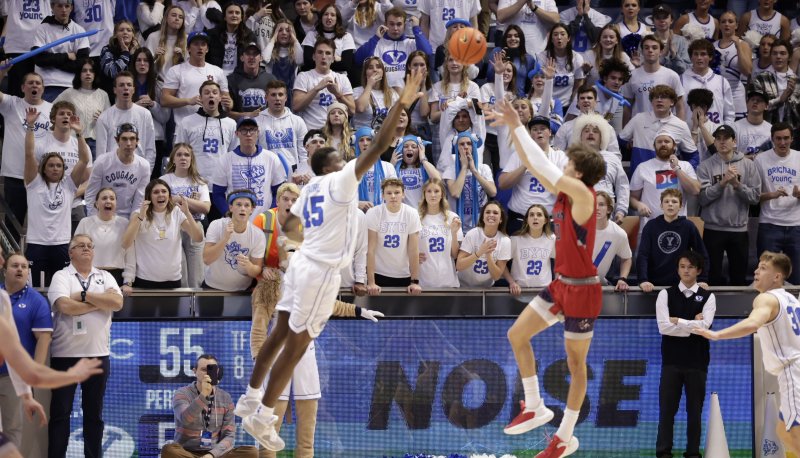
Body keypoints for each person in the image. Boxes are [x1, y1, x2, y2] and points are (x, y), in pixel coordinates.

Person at [234, 70, 425, 451]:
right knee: (299, 345)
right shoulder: (340, 181)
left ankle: (252, 397)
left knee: (280, 335)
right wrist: (402, 101)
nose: (347, 159)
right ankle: (265, 416)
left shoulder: (305, 192)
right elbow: (382, 144)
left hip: (300, 267)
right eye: (341, 157)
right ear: (330, 165)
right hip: (319, 271)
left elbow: (291, 232)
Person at [488, 99, 607, 456]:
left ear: (579, 172)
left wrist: (516, 124)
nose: (563, 164)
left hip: (584, 290)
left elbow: (542, 164)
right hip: (560, 284)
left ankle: (563, 437)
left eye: (569, 162)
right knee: (517, 334)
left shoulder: (584, 195)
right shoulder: (562, 196)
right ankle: (535, 405)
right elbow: (533, 164)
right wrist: (513, 130)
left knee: (575, 364)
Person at [693, 251, 800, 454]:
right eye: (758, 266)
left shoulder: (766, 298)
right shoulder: (792, 299)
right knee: (783, 431)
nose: (756, 271)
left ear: (777, 277)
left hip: (793, 370)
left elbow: (753, 323)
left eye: (763, 268)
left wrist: (716, 335)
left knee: (794, 433)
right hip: (794, 368)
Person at [47, 234, 124, 458]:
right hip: (65, 356)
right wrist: (99, 303)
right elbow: (64, 306)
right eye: (81, 246)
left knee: (94, 415)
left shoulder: (105, 275)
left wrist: (81, 295)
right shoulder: (61, 276)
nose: (86, 249)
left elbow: (117, 303)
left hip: (98, 356)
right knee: (61, 414)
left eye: (90, 246)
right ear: (70, 252)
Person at [655, 250, 716, 458]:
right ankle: (663, 453)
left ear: (698, 270)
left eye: (690, 267)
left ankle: (692, 453)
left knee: (695, 413)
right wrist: (693, 324)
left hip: (697, 363)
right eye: (682, 266)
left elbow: (705, 326)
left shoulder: (708, 296)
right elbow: (663, 327)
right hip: (671, 362)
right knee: (667, 412)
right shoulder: (665, 294)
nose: (686, 270)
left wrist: (678, 321)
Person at [23, 106, 91, 287]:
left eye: (59, 166)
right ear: (44, 167)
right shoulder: (33, 183)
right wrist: (30, 127)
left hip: (61, 245)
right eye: (51, 165)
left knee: (62, 289)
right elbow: (29, 154)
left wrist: (79, 134)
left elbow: (84, 160)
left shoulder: (68, 186)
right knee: (34, 289)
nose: (55, 168)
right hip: (36, 244)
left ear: (63, 169)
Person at [697, 125, 762, 286]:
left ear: (734, 141)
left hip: (738, 230)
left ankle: (737, 311)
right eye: (718, 138)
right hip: (712, 229)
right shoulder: (705, 166)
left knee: (738, 277)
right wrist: (723, 183)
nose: (721, 142)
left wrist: (737, 185)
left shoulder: (748, 165)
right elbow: (703, 199)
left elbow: (755, 198)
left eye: (725, 138)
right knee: (712, 277)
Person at [0, 252, 53, 449]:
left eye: (24, 266)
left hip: (12, 378)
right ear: (5, 271)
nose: (20, 269)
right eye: (15, 266)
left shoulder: (37, 301)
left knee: (12, 427)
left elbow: (44, 339)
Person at [161, 354, 259, 458]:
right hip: (187, 452)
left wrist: (211, 455)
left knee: (251, 452)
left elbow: (229, 436)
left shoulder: (225, 397)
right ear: (195, 371)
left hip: (214, 454)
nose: (207, 373)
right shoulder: (182, 393)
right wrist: (203, 395)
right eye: (203, 369)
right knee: (169, 450)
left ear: (216, 372)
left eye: (211, 369)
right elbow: (185, 419)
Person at [122, 179, 204, 294]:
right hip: (145, 280)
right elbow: (125, 243)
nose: (160, 194)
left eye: (164, 191)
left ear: (169, 195)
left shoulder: (176, 212)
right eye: (156, 192)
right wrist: (140, 217)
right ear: (149, 197)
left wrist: (188, 213)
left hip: (173, 279)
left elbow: (198, 238)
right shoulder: (138, 213)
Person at [0, 66, 53, 229]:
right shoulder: (12, 104)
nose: (34, 86)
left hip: (42, 176)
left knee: (42, 224)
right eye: (30, 83)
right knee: (13, 224)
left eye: (38, 83)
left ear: (43, 88)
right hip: (15, 175)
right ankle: (12, 255)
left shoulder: (53, 109)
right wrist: (2, 73)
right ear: (23, 88)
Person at [499, 115, 567, 234]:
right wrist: (525, 164)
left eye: (543, 128)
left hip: (548, 220)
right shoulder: (519, 155)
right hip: (520, 219)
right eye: (535, 129)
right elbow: (502, 184)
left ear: (550, 132)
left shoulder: (559, 156)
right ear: (530, 135)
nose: (539, 131)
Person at [212, 117, 289, 218]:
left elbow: (279, 191)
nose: (248, 134)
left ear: (258, 132)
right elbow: (217, 194)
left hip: (264, 220)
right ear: (237, 133)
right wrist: (228, 213)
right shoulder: (225, 160)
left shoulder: (271, 158)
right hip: (235, 220)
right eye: (244, 130)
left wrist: (270, 214)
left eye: (252, 130)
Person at [754, 123, 800, 285]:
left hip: (796, 225)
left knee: (797, 278)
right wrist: (771, 195)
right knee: (766, 277)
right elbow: (753, 196)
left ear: (792, 139)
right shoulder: (761, 159)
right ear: (772, 139)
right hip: (769, 224)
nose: (782, 142)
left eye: (786, 138)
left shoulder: (799, 158)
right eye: (778, 139)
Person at [637, 189, 710, 292]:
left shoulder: (688, 226)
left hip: (681, 283)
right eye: (666, 201)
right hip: (653, 284)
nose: (670, 204)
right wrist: (643, 280)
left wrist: (703, 279)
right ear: (661, 206)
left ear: (681, 206)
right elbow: (643, 255)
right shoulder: (651, 226)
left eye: (674, 202)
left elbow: (701, 254)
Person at [161, 144, 212, 288]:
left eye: (186, 155)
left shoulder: (199, 182)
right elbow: (161, 204)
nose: (183, 158)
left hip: (195, 226)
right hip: (173, 228)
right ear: (173, 159)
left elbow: (205, 208)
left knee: (197, 275)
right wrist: (193, 203)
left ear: (191, 159)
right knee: (179, 274)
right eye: (179, 155)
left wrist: (179, 199)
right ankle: (182, 310)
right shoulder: (165, 180)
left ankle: (197, 310)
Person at [629, 131, 701, 230]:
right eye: (659, 142)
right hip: (650, 227)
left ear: (674, 146)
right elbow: (632, 198)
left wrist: (676, 168)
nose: (663, 144)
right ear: (654, 146)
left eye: (667, 141)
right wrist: (638, 205)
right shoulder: (643, 167)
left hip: (678, 227)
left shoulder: (685, 166)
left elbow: (695, 190)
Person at [620, 85, 698, 175]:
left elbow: (693, 156)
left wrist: (683, 171)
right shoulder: (638, 119)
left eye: (663, 97)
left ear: (672, 102)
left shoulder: (681, 125)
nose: (659, 100)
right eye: (656, 97)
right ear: (651, 102)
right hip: (640, 176)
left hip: (668, 179)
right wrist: (629, 145)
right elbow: (621, 140)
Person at [365, 178, 423, 293]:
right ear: (383, 195)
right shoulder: (373, 213)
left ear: (403, 195)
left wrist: (414, 282)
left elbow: (413, 250)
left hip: (403, 274)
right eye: (389, 193)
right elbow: (370, 249)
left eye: (397, 192)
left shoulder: (411, 213)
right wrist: (371, 282)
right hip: (378, 273)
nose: (393, 196)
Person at [162, 31, 231, 126]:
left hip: (212, 126)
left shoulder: (218, 71)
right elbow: (165, 99)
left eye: (203, 44)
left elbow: (227, 101)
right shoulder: (176, 70)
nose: (200, 47)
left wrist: (228, 104)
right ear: (188, 48)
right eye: (196, 44)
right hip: (184, 127)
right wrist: (188, 101)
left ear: (207, 49)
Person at [174, 80, 237, 184]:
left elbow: (234, 155)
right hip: (194, 181)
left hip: (221, 182)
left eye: (214, 92)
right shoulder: (187, 122)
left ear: (220, 97)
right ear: (201, 98)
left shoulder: (231, 124)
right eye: (207, 93)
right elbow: (179, 152)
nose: (211, 95)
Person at [75, 188, 136, 293]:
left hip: (116, 276)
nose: (108, 201)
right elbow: (75, 254)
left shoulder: (124, 223)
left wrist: (128, 281)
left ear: (116, 204)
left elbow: (130, 255)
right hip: (90, 275)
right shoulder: (85, 223)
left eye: (112, 198)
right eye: (104, 198)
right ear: (96, 204)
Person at [203, 190, 266, 291]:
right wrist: (225, 239)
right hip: (212, 287)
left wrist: (249, 266)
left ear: (252, 210)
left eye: (246, 205)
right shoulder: (216, 225)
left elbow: (256, 270)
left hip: (242, 291)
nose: (242, 208)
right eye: (238, 204)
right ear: (231, 207)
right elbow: (206, 259)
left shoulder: (258, 235)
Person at [354, 7, 432, 88]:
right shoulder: (377, 43)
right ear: (385, 24)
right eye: (391, 24)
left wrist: (416, 28)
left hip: (408, 90)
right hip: (383, 91)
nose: (395, 28)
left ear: (404, 25)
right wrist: (376, 38)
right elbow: (358, 59)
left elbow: (427, 53)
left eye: (399, 24)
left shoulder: (411, 43)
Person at [86, 124, 151, 220]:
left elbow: (139, 200)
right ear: (117, 140)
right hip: (103, 215)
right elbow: (91, 194)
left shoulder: (144, 165)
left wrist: (133, 223)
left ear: (137, 141)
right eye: (124, 139)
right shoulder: (102, 162)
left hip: (128, 216)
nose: (128, 143)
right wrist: (94, 220)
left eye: (132, 139)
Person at [95, 72, 158, 169]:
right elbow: (101, 154)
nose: (125, 88)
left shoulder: (145, 114)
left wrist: (147, 173)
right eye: (121, 85)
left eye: (129, 85)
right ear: (115, 90)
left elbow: (150, 149)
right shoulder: (104, 117)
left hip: (138, 170)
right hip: (112, 172)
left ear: (133, 89)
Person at [31, 0, 90, 101]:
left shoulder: (80, 30)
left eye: (67, 6)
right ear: (52, 7)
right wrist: (66, 56)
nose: (63, 10)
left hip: (72, 86)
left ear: (71, 8)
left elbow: (81, 65)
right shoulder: (42, 29)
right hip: (47, 85)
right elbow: (39, 59)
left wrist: (52, 58)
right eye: (59, 6)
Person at [292, 38, 356, 131]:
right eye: (320, 52)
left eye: (328, 53)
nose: (323, 56)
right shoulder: (303, 76)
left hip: (336, 133)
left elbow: (352, 111)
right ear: (313, 56)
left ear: (334, 58)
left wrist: (338, 94)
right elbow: (296, 107)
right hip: (312, 132)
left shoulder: (342, 78)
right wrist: (316, 89)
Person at [622, 35, 686, 126]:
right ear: (642, 51)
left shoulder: (672, 76)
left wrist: (680, 130)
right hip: (640, 129)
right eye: (646, 47)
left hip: (665, 130)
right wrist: (626, 133)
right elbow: (627, 108)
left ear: (661, 52)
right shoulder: (631, 76)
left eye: (654, 48)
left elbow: (680, 107)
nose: (650, 50)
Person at [53, 59, 111, 158]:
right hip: (74, 140)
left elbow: (109, 121)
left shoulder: (103, 94)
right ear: (79, 74)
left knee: (94, 172)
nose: (88, 73)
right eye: (84, 70)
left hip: (96, 142)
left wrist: (102, 119)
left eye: (91, 70)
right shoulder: (69, 93)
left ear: (95, 74)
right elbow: (52, 110)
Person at [455, 201, 512, 287]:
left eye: (495, 213)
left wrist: (488, 255)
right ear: (483, 217)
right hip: (462, 286)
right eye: (487, 212)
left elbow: (496, 276)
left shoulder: (505, 241)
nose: (491, 215)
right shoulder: (472, 234)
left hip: (486, 289)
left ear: (501, 219)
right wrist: (479, 252)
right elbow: (459, 265)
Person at [256, 80, 308, 175]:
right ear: (266, 98)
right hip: (266, 172)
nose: (277, 98)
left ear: (286, 98)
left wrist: (303, 172)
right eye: (273, 95)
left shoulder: (297, 121)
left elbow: (303, 151)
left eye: (280, 94)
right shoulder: (257, 121)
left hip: (293, 173)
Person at [417, 178, 462, 288]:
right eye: (429, 191)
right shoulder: (416, 217)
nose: (433, 195)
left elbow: (455, 254)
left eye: (436, 191)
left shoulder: (452, 217)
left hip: (448, 280)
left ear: (442, 194)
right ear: (424, 194)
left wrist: (454, 233)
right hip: (423, 281)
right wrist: (412, 255)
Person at [680, 39, 735, 126]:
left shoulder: (721, 81)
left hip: (716, 135)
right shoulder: (681, 80)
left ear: (710, 57)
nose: (699, 58)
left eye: (703, 54)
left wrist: (725, 132)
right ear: (691, 57)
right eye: (696, 54)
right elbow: (675, 111)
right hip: (689, 134)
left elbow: (729, 114)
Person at [506, 204, 556, 295]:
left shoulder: (552, 238)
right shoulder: (515, 238)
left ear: (545, 220)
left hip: (544, 291)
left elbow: (561, 263)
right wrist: (511, 282)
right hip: (519, 291)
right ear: (527, 220)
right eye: (531, 215)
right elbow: (501, 264)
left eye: (539, 215)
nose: (535, 218)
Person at [536, 23, 585, 112]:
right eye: (555, 34)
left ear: (569, 38)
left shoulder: (577, 58)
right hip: (546, 105)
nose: (559, 37)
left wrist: (573, 107)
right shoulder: (542, 57)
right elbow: (539, 83)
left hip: (567, 106)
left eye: (562, 34)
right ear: (551, 39)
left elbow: (578, 84)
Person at [715, 11, 753, 120]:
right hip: (717, 94)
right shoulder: (712, 46)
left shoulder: (743, 45)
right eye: (723, 21)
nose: (727, 24)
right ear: (719, 25)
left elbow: (748, 71)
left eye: (730, 21)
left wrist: (738, 47)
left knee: (736, 130)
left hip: (736, 94)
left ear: (736, 25)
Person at [300, 4, 357, 75]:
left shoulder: (346, 36)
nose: (329, 17)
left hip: (338, 77)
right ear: (321, 18)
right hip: (314, 76)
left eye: (333, 15)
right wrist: (335, 59)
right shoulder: (311, 35)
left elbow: (346, 65)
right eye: (326, 14)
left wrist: (318, 60)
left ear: (337, 19)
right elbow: (308, 62)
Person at [592, 191, 632, 288]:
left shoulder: (618, 233)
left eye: (601, 205)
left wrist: (622, 279)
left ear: (609, 209)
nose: (596, 208)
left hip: (599, 284)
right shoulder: (577, 229)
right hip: (575, 283)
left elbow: (626, 258)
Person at [227, 42, 275, 121]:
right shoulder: (231, 80)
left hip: (265, 126)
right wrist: (247, 115)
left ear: (261, 58)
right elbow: (225, 113)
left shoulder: (271, 79)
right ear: (242, 57)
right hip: (240, 128)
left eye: (255, 54)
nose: (251, 57)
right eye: (248, 54)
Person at [207, 3, 257, 76]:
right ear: (224, 17)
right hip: (216, 75)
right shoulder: (212, 35)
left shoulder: (249, 36)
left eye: (237, 13)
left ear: (241, 17)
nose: (234, 15)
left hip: (239, 77)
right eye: (230, 12)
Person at [262, 19, 304, 104]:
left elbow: (300, 61)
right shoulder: (271, 51)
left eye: (288, 31)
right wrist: (273, 39)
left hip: (290, 94)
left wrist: (295, 39)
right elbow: (264, 58)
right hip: (273, 94)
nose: (284, 33)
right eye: (280, 30)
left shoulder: (295, 51)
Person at [144, 4, 188, 82]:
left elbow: (192, 67)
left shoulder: (187, 39)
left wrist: (183, 57)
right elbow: (144, 65)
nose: (177, 18)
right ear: (166, 18)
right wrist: (154, 57)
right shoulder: (153, 37)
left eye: (180, 17)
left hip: (180, 85)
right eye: (174, 15)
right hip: (159, 83)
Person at [353, 57, 399, 129]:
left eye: (378, 67)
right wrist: (369, 85)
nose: (375, 70)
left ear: (383, 72)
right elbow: (360, 108)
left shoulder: (392, 93)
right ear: (365, 73)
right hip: (364, 136)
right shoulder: (357, 91)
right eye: (370, 68)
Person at [99, 20, 140, 95]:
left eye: (129, 30)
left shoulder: (137, 52)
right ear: (115, 34)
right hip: (111, 96)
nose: (125, 32)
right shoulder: (107, 50)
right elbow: (112, 72)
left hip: (133, 96)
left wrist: (132, 55)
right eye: (121, 30)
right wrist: (125, 53)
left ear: (133, 35)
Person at [650, 4, 691, 75]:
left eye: (665, 17)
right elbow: (646, 67)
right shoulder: (646, 41)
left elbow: (686, 69)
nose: (662, 20)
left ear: (671, 20)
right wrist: (663, 55)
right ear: (653, 21)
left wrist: (674, 55)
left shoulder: (682, 41)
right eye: (658, 17)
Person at [734, 89, 773, 158]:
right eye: (752, 99)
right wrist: (752, 157)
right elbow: (730, 155)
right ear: (747, 103)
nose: (755, 102)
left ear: (766, 106)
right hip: (741, 166)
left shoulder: (771, 129)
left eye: (759, 100)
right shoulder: (735, 127)